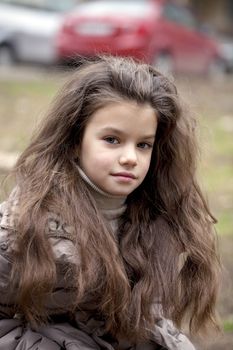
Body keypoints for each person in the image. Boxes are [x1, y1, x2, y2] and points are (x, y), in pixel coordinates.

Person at [0, 56, 220, 350]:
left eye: (143, 145)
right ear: (75, 142)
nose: (130, 157)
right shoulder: (26, 223)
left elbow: (147, 319)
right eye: (112, 140)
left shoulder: (155, 218)